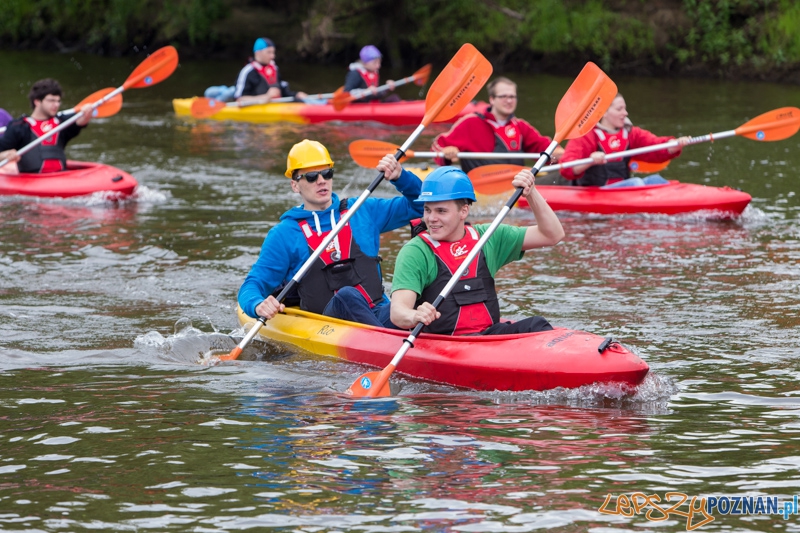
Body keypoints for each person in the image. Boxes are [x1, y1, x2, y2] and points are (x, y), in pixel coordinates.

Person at [237, 139, 424, 329]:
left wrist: (401, 178)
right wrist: (257, 305)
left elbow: (422, 206)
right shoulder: (284, 234)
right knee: (347, 296)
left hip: (377, 314)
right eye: (311, 176)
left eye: (327, 173)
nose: (321, 180)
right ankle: (391, 342)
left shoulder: (361, 209)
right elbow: (253, 285)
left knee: (423, 298)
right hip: (327, 324)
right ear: (295, 185)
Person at [390, 166, 564, 335]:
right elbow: (398, 312)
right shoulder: (415, 251)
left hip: (487, 337)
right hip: (445, 342)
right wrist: (415, 315)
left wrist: (531, 193)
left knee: (537, 324)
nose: (431, 218)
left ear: (463, 211)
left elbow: (552, 235)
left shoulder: (488, 236)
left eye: (441, 211)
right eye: (427, 210)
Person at [431, 77, 563, 174]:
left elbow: (543, 147)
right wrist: (446, 152)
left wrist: (557, 153)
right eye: (504, 96)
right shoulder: (470, 123)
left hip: (515, 186)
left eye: (512, 96)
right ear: (492, 99)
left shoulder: (520, 126)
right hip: (480, 186)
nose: (509, 100)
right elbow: (438, 146)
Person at [559, 93, 690, 187]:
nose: (625, 113)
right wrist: (591, 161)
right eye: (619, 109)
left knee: (656, 179)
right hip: (595, 192)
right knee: (636, 183)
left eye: (625, 108)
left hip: (623, 190)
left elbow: (655, 148)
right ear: (603, 112)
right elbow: (566, 168)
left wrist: (674, 145)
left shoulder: (630, 133)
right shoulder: (587, 135)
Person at [0, 79, 93, 174]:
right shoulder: (20, 126)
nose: (56, 105)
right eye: (51, 100)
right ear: (37, 101)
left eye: (58, 101)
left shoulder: (61, 122)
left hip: (61, 177)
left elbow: (79, 121)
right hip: (31, 181)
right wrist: (5, 155)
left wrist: (86, 112)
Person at [234, 38, 308, 104]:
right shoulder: (247, 72)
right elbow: (239, 99)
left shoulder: (275, 68)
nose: (273, 56)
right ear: (258, 53)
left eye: (273, 52)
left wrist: (296, 94)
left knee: (300, 100)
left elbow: (283, 91)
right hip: (258, 109)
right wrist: (266, 96)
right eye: (269, 52)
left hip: (277, 105)